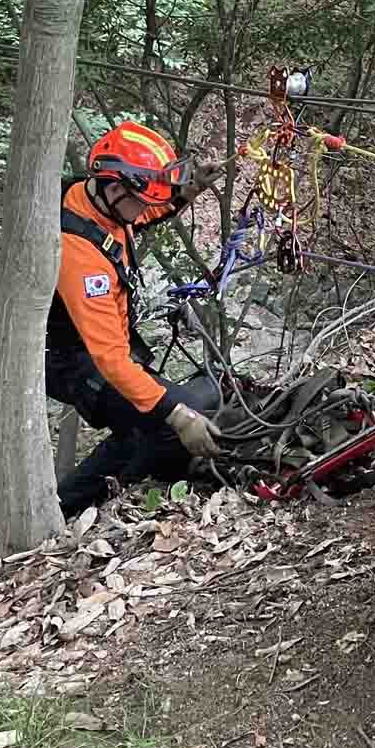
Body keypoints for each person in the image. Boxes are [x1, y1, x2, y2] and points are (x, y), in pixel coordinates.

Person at [48, 121, 226, 518]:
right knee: (159, 425)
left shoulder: (90, 197)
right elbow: (110, 359)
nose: (144, 211)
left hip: (102, 347)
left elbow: (140, 215)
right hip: (73, 360)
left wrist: (188, 189)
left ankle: (157, 468)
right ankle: (62, 509)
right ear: (115, 188)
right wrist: (178, 415)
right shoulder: (79, 258)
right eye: (141, 201)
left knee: (191, 404)